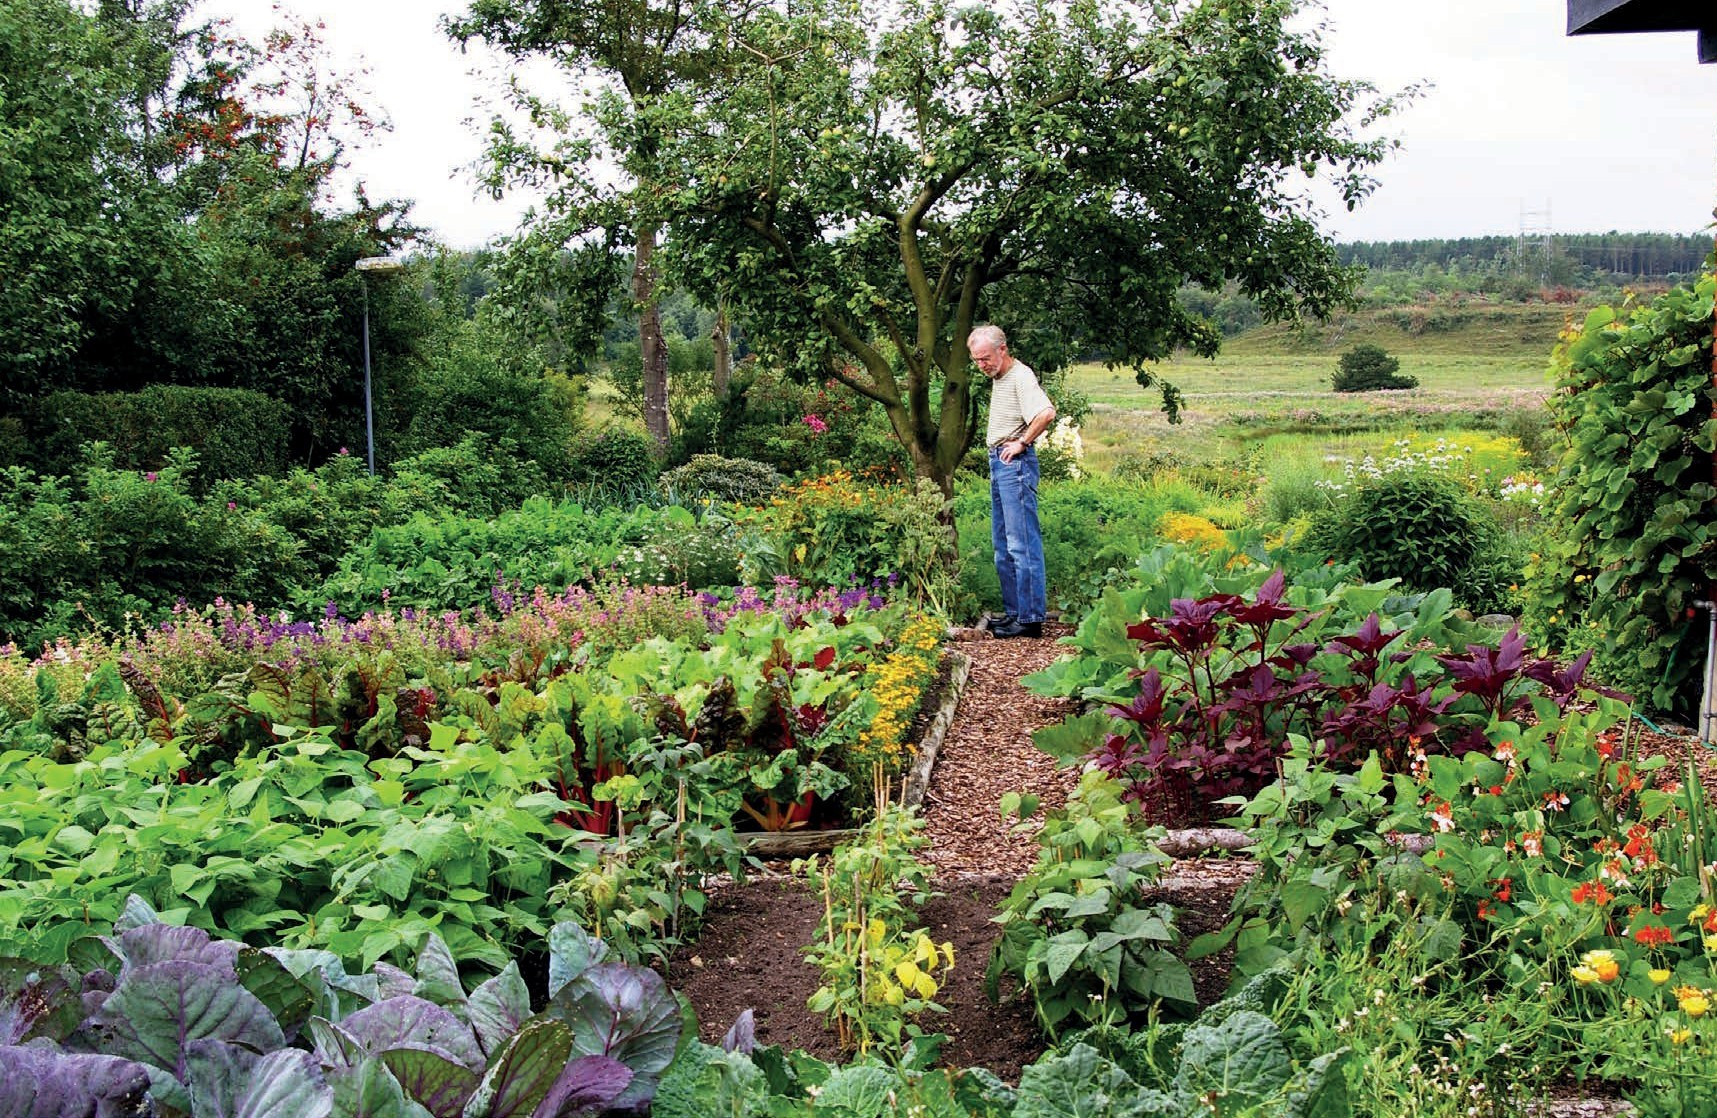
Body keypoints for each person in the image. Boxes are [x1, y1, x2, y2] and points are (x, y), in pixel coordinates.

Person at [969, 324, 1055, 639]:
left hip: (1014, 464)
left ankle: (1030, 620)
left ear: (1002, 349)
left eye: (986, 358)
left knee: (1022, 544)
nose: (982, 365)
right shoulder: (1001, 377)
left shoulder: (1021, 376)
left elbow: (1046, 413)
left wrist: (1021, 443)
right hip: (1000, 462)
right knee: (1003, 545)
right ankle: (1015, 614)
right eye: (976, 360)